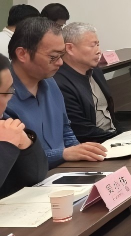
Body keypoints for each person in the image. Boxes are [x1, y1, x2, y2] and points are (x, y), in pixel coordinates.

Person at [4, 17, 106, 168]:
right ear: (22, 54)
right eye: (53, 57)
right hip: (29, 178)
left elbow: (65, 129)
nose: (60, 62)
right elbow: (16, 159)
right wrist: (63, 154)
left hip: (62, 170)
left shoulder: (50, 82)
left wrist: (81, 152)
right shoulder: (4, 96)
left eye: (61, 55)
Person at [53, 23, 117, 143]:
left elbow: (109, 113)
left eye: (98, 44)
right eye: (92, 45)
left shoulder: (95, 71)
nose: (98, 51)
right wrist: (121, 138)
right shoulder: (60, 83)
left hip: (112, 135)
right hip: (93, 144)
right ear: (69, 48)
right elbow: (82, 131)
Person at [0, 54, 48, 198]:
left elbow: (37, 176)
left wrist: (26, 144)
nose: (9, 99)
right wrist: (6, 146)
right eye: (6, 92)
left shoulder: (5, 120)